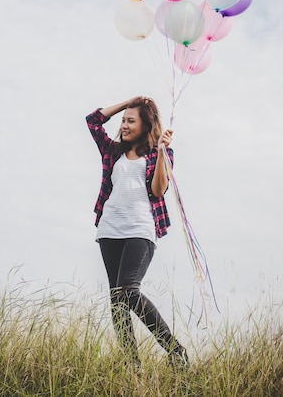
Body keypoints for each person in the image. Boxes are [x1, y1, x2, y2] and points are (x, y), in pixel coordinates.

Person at [86, 96, 188, 369]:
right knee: (117, 300)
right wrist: (126, 103)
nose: (125, 125)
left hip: (140, 229)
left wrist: (164, 152)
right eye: (123, 120)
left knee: (129, 290)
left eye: (131, 120)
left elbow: (158, 190)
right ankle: (133, 365)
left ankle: (175, 351)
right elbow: (93, 121)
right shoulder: (113, 150)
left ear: (146, 125)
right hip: (110, 229)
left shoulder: (160, 153)